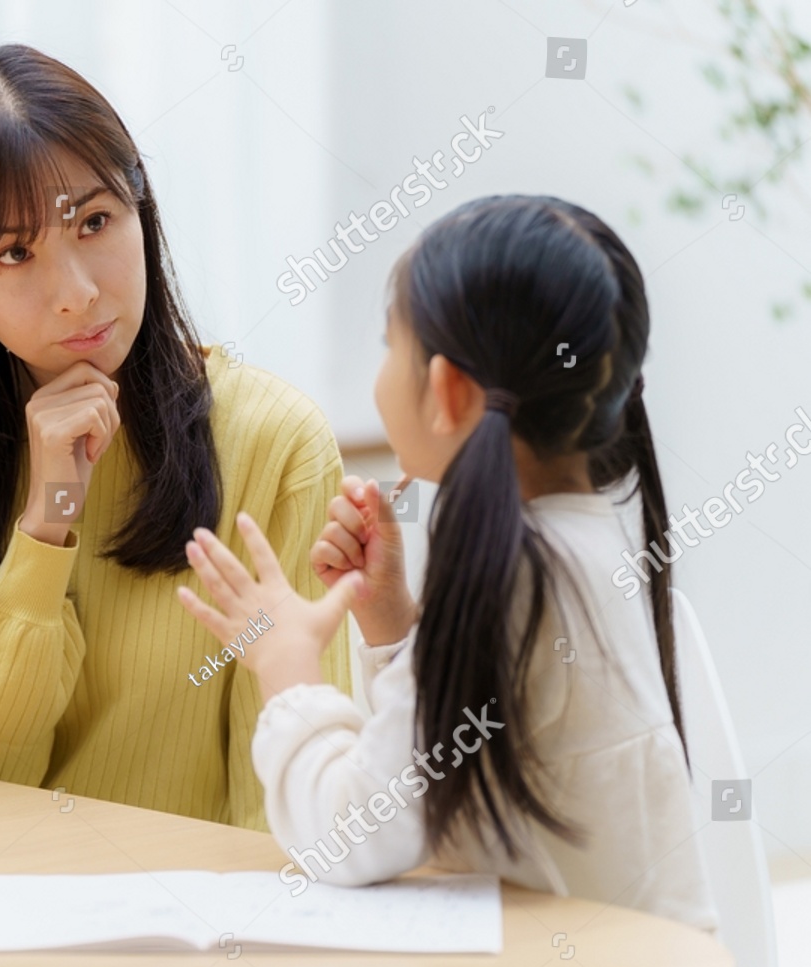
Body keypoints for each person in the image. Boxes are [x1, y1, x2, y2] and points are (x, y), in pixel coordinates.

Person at [0, 44, 350, 829]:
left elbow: (293, 811)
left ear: (138, 201)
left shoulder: (277, 445)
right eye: (15, 252)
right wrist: (46, 526)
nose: (78, 293)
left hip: (206, 908)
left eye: (94, 221)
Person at [178, 195, 716, 927]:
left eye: (388, 344)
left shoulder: (516, 579)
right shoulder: (586, 551)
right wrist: (394, 622)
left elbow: (352, 835)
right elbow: (447, 763)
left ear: (447, 391)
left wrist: (289, 669)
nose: (380, 370)